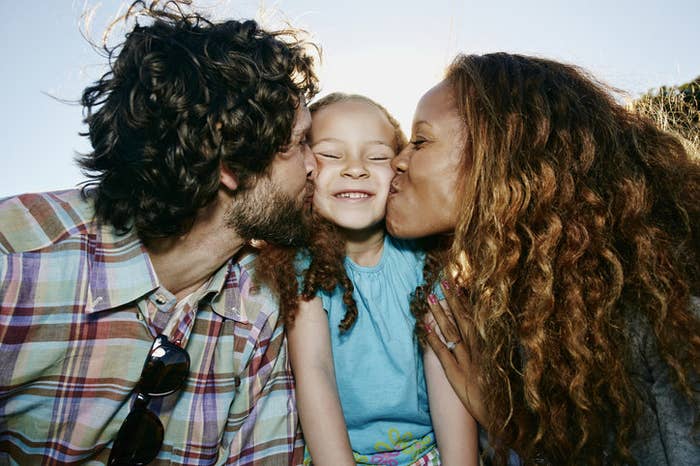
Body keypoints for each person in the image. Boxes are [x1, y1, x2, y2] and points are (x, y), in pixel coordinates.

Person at [0, 2, 319, 464]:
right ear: (229, 162)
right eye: (300, 144)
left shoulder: (260, 313)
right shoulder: (17, 259)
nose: (314, 167)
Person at [385, 53, 700, 465]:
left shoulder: (666, 320)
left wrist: (508, 427)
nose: (399, 159)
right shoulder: (511, 310)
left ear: (500, 156)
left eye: (421, 140)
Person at [286, 93, 478, 465]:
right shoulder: (300, 268)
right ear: (306, 167)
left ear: (400, 170)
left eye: (376, 157)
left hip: (427, 450)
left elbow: (447, 370)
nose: (356, 169)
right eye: (331, 154)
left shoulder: (425, 261)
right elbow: (315, 373)